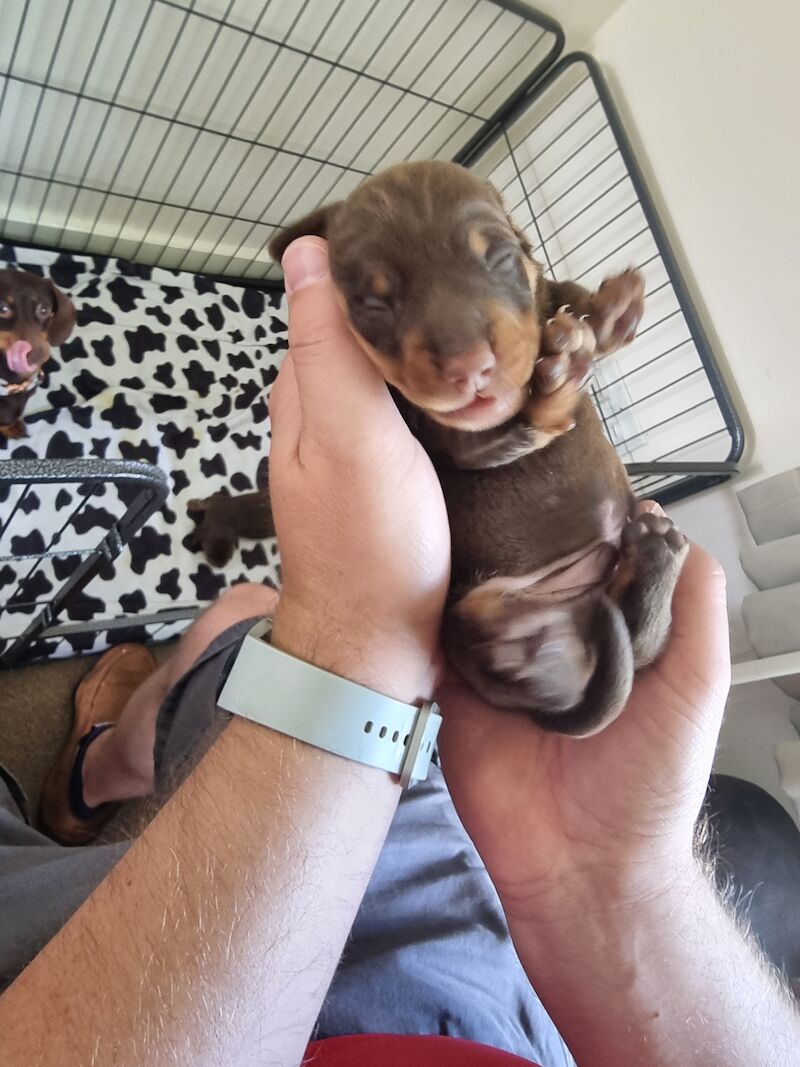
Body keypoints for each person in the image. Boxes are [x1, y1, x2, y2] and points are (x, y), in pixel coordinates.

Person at [0, 237, 798, 1067]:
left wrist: (351, 645)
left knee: (246, 622)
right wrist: (609, 879)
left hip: (100, 1010)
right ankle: (103, 771)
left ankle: (98, 772)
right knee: (246, 610)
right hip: (486, 995)